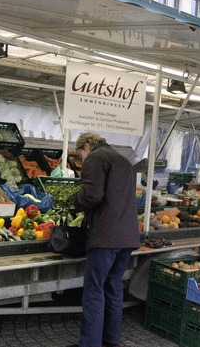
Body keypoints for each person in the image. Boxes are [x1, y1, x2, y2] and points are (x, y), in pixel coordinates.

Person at [68, 133, 140, 347]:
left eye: (81, 154)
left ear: (86, 146)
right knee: (114, 287)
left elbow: (92, 195)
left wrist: (74, 200)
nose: (82, 158)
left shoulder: (95, 158)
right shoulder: (124, 161)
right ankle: (111, 341)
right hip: (127, 236)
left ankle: (90, 343)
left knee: (94, 290)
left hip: (106, 236)